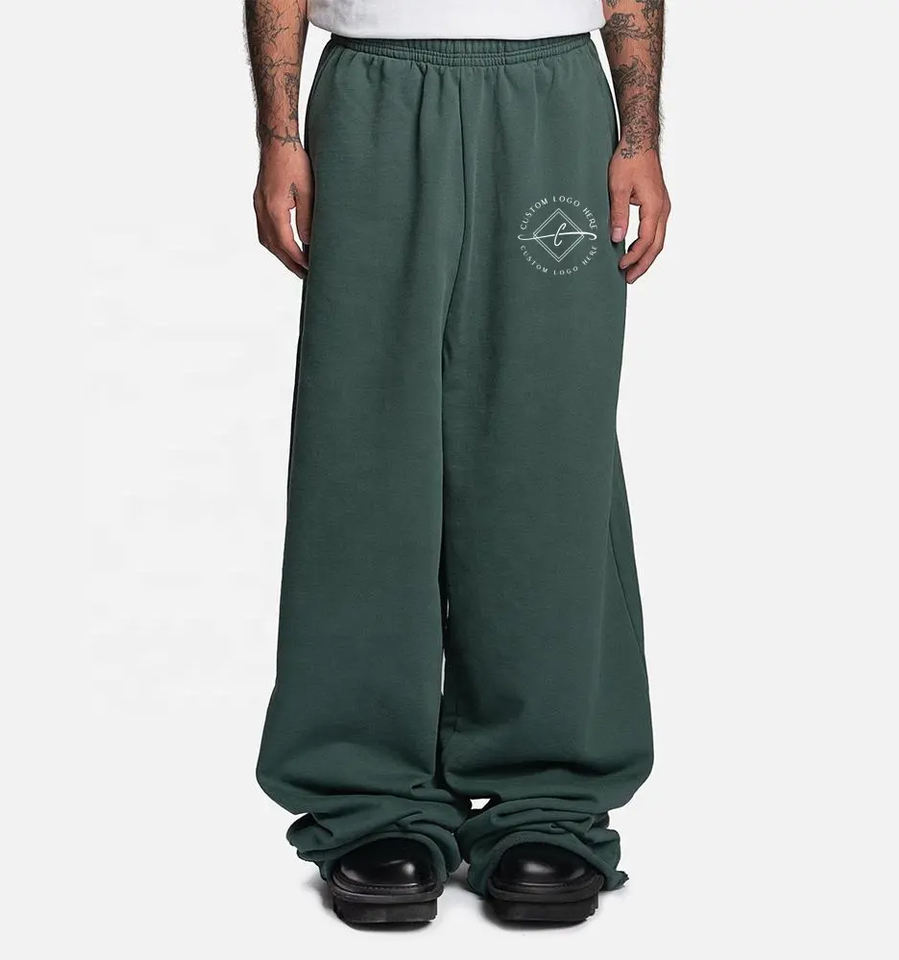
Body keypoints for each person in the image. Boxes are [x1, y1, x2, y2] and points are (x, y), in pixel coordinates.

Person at [246, 0, 669, 925]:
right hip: (374, 94)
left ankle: (548, 796)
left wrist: (639, 136)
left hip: (552, 94)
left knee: (550, 449)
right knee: (361, 450)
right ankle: (368, 797)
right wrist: (279, 136)